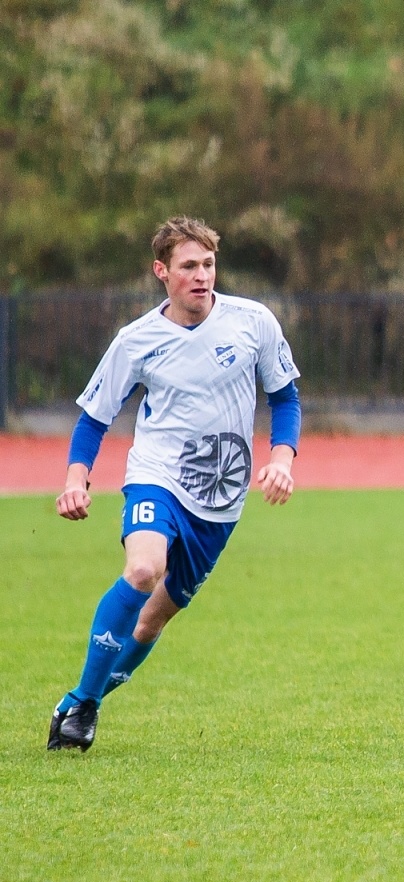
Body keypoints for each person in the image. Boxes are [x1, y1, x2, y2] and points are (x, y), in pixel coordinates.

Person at [49, 216, 302, 751]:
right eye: (189, 266)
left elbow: (285, 398)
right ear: (162, 271)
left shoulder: (253, 322)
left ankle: (80, 700)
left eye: (208, 264)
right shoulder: (136, 339)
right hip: (157, 475)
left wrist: (283, 460)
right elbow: (94, 418)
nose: (201, 275)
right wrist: (76, 480)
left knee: (151, 622)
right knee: (143, 569)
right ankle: (83, 712)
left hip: (221, 498)